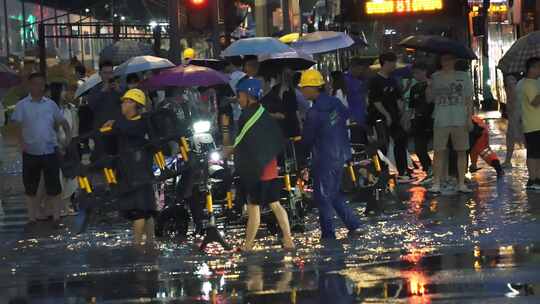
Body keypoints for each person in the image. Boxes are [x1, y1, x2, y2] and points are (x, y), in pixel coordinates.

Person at [229, 77, 294, 251]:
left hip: (257, 170)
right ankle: (288, 240)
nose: (239, 99)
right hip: (270, 167)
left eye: (240, 95)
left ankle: (248, 246)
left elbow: (243, 143)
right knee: (275, 204)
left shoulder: (246, 115)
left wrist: (230, 151)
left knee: (253, 207)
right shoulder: (263, 112)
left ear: (249, 95)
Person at [299, 69, 361, 239]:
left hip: (324, 158)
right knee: (332, 193)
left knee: (323, 196)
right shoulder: (335, 103)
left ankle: (328, 234)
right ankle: (353, 224)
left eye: (304, 87)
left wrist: (301, 160)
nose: (302, 91)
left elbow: (307, 140)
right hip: (341, 154)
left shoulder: (314, 112)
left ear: (313, 88)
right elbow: (346, 117)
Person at [11, 73, 72, 225]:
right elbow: (16, 126)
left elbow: (62, 122)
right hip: (31, 151)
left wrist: (67, 140)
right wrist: (20, 144)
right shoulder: (22, 105)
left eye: (42, 84)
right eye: (36, 84)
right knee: (30, 185)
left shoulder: (50, 104)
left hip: (50, 150)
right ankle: (32, 217)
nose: (39, 87)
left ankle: (57, 217)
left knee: (54, 186)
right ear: (30, 85)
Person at [101, 89, 157, 245]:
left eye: (127, 101)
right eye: (123, 101)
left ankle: (138, 246)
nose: (123, 104)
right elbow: (110, 148)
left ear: (135, 104)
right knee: (147, 212)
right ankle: (151, 245)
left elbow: (129, 129)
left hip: (136, 175)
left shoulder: (139, 122)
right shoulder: (125, 123)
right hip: (133, 174)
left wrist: (113, 126)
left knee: (139, 213)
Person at [427, 53, 474, 194]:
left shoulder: (463, 76)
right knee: (439, 151)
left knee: (462, 150)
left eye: (449, 59)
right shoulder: (435, 77)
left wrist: (469, 118)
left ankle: (461, 183)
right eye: (444, 59)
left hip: (460, 118)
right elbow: (429, 99)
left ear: (454, 60)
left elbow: (469, 99)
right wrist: (428, 86)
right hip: (441, 119)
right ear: (440, 61)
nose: (446, 62)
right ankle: (436, 182)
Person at [368, 52, 411, 182]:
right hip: (379, 117)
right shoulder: (375, 80)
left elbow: (398, 97)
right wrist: (386, 115)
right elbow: (375, 101)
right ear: (385, 63)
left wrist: (401, 111)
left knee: (400, 140)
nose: (394, 66)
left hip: (394, 116)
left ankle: (402, 171)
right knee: (383, 145)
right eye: (392, 62)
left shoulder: (393, 80)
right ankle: (382, 173)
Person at [49, 82, 79, 216]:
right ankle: (59, 207)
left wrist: (70, 141)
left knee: (71, 177)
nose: (65, 93)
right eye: (63, 90)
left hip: (69, 144)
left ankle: (67, 206)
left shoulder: (70, 108)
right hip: (54, 146)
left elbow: (73, 128)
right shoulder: (51, 109)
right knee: (59, 178)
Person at [87, 61, 123, 161]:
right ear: (100, 74)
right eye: (105, 73)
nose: (108, 76)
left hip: (118, 130)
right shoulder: (95, 89)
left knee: (119, 160)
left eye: (110, 73)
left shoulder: (119, 88)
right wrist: (103, 91)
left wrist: (119, 91)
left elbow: (128, 103)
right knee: (104, 161)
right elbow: (92, 105)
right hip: (102, 131)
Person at [516, 57, 540, 190]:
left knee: (536, 153)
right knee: (534, 153)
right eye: (539, 67)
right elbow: (535, 102)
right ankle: (533, 179)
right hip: (533, 124)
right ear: (532, 68)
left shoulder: (528, 82)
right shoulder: (529, 84)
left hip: (533, 124)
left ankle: (536, 178)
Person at [409, 63, 434, 180]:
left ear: (424, 71)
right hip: (418, 120)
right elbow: (412, 107)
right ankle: (428, 168)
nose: (415, 75)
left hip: (431, 119)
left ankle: (436, 171)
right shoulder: (414, 88)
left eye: (417, 72)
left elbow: (431, 101)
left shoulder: (432, 85)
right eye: (414, 73)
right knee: (419, 148)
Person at [261, 68, 302, 138]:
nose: (286, 77)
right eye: (285, 75)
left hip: (289, 124)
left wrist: (300, 123)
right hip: (280, 125)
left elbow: (295, 109)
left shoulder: (291, 91)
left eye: (288, 75)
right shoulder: (275, 90)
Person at [344, 57, 372, 143]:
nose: (360, 72)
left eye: (362, 69)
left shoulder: (359, 81)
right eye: (359, 69)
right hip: (353, 120)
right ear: (353, 67)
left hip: (362, 118)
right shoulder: (345, 81)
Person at [502, 73, 523, 168]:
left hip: (515, 111)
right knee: (513, 136)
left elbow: (512, 95)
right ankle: (507, 160)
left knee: (512, 136)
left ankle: (507, 161)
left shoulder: (510, 78)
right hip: (521, 111)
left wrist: (509, 106)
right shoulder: (522, 80)